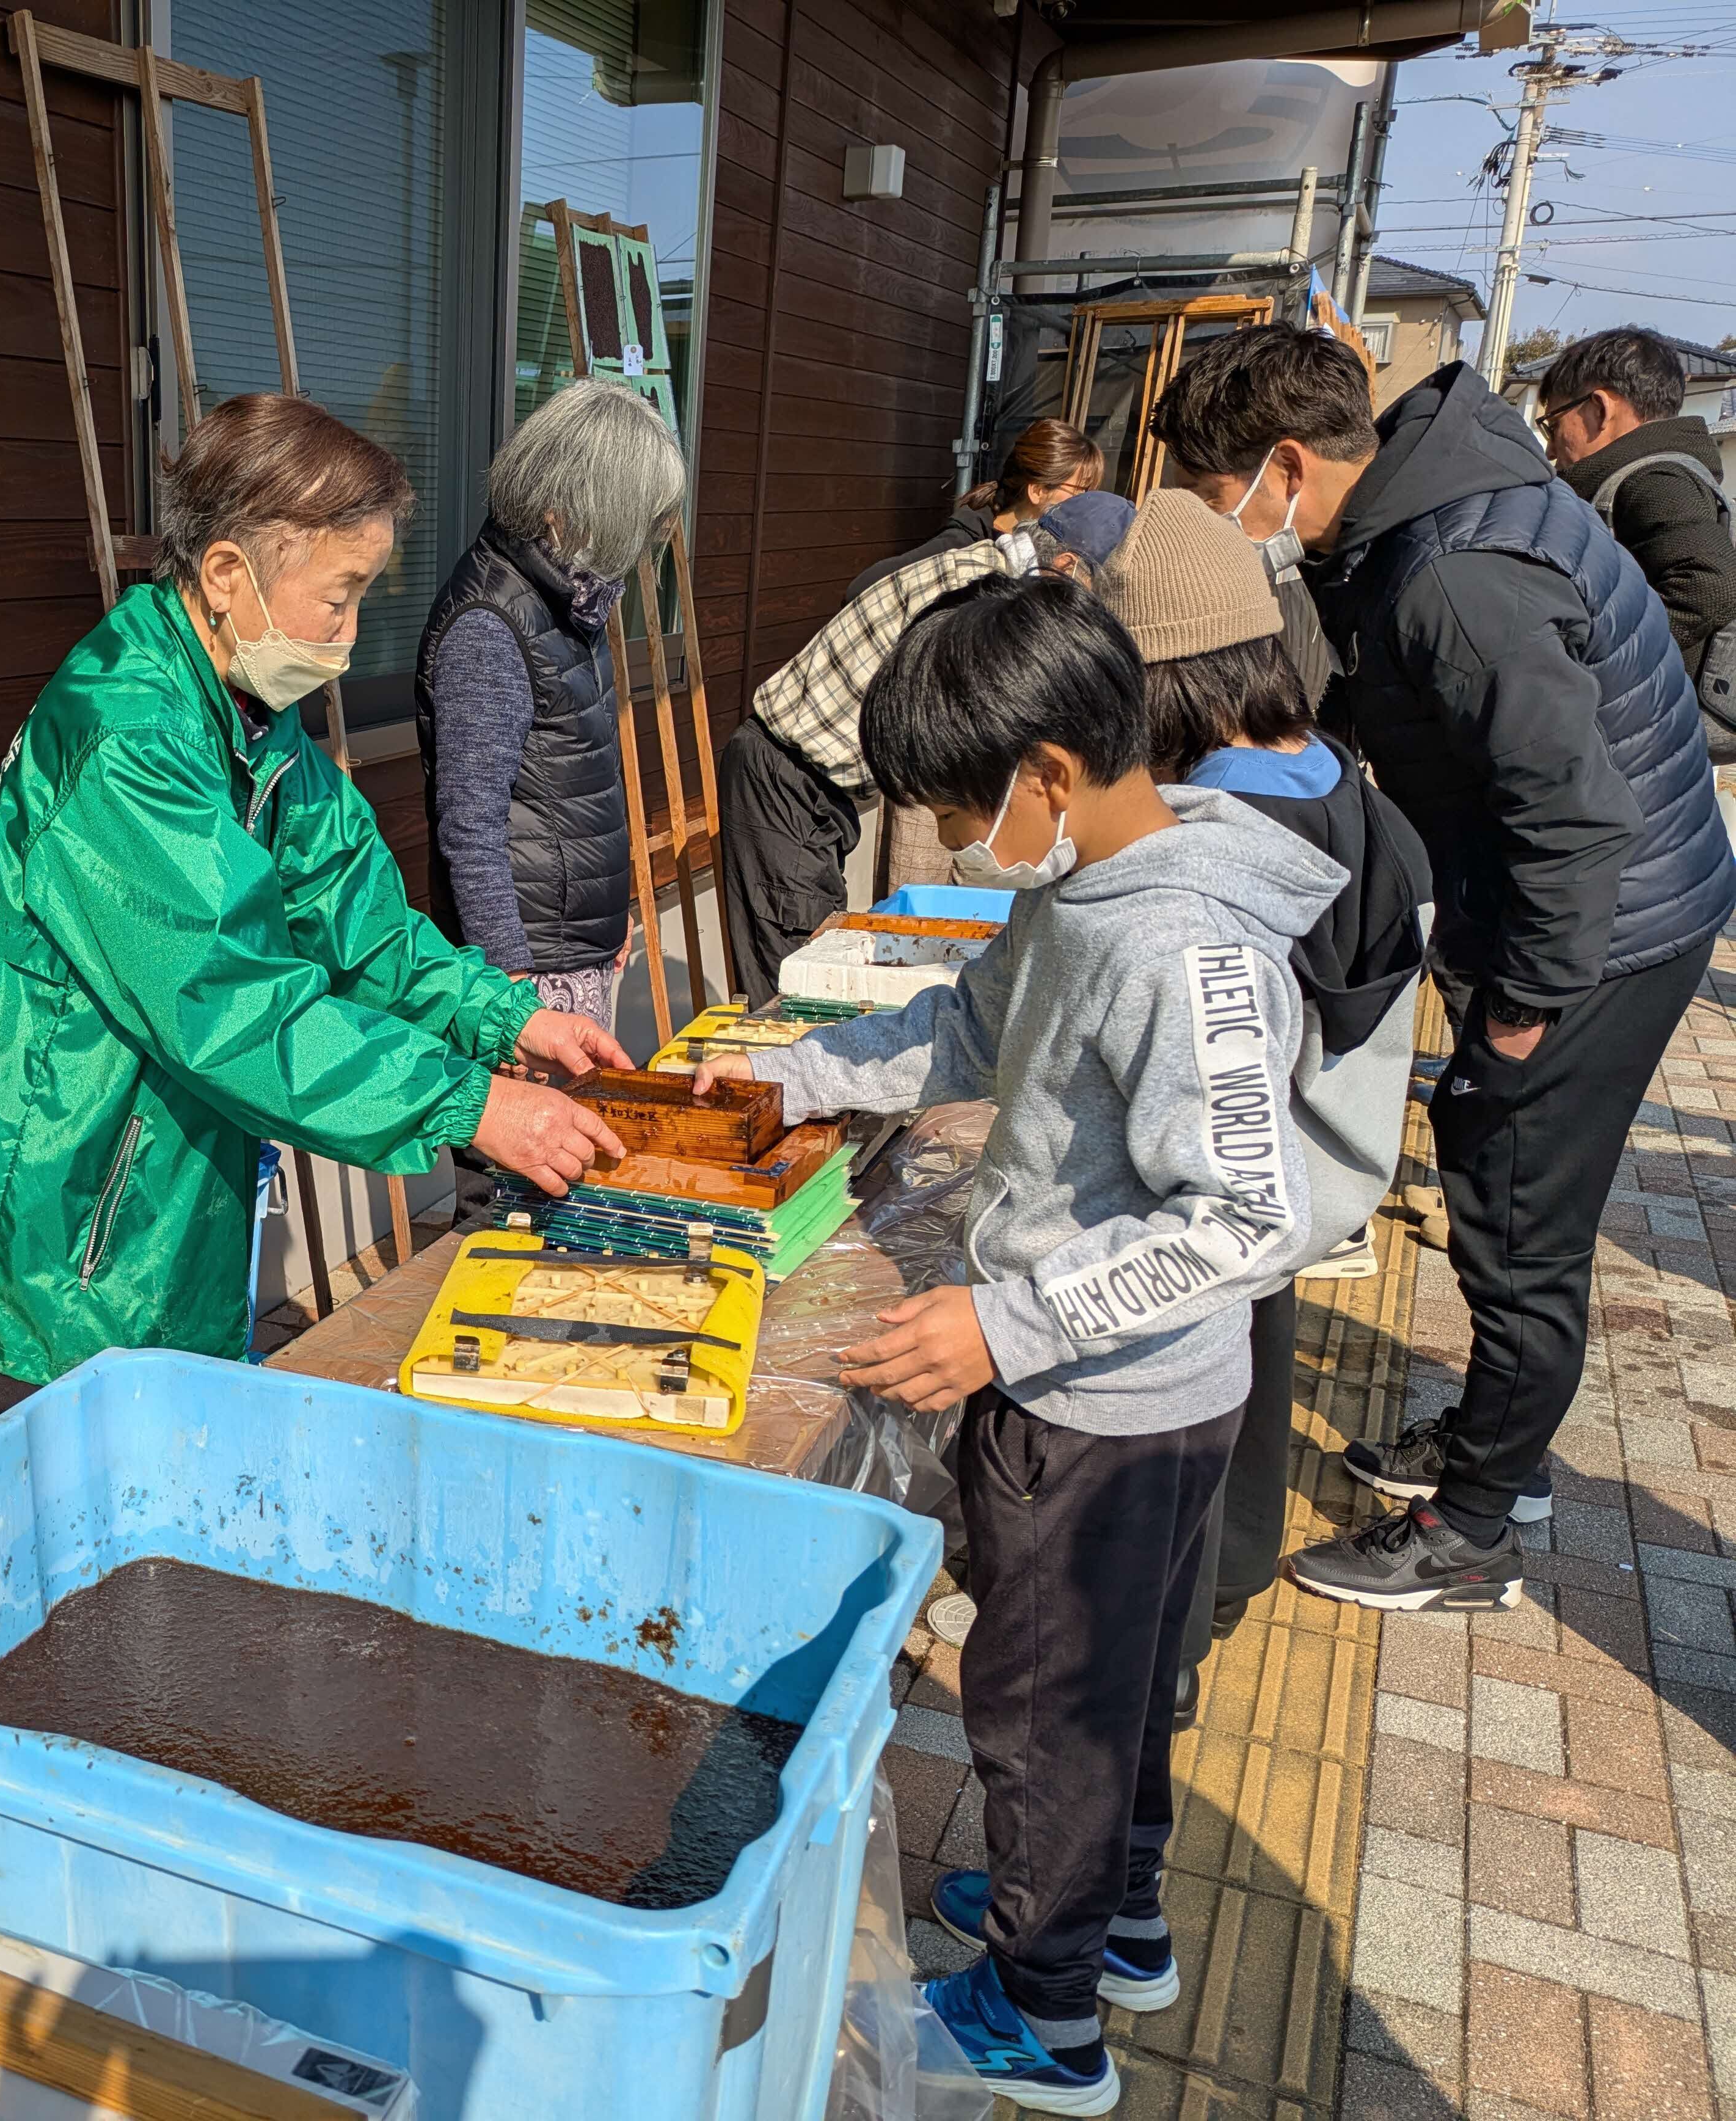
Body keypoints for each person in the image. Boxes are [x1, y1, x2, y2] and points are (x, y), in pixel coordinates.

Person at [696, 572, 1338, 2112]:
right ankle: (1108, 1922)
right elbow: (964, 1032)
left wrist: (1004, 1322)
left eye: (953, 814)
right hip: (1102, 1383)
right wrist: (795, 1077)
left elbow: (1252, 1217)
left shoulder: (1186, 948)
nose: (951, 845)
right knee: (1110, 1686)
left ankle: (1043, 2020)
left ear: (1045, 775)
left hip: (1108, 1403)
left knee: (1040, 1707)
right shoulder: (1080, 887)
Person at [1152, 326, 1736, 1612]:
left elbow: (1569, 817)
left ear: (1285, 464)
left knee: (1513, 1207)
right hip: (1576, 897)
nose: (1222, 523)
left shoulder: (1455, 571)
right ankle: (1493, 1442)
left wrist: (1524, 1004)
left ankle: (1474, 1526)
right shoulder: (1416, 503)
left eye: (1216, 495)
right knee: (1500, 1179)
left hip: (1605, 924)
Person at [0, 395, 632, 1408]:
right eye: (339, 596)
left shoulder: (251, 721)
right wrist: (469, 1100)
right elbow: (233, 1001)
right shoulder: (127, 740)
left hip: (157, 1200)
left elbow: (362, 923)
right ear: (227, 577)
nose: (350, 630)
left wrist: (510, 1015)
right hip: (60, 1231)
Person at [1100, 491, 1431, 1718]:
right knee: (1250, 1364)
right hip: (1307, 1163)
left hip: (1215, 1184)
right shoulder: (1331, 774)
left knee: (1171, 1414)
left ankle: (1158, 1662)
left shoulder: (1226, 832)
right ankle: (1230, 1573)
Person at [719, 492, 1135, 997]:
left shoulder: (986, 567)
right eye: (1096, 593)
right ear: (1066, 566)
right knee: (800, 983)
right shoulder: (982, 594)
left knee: (813, 960)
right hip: (788, 776)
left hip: (816, 780)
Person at [415, 378, 687, 1027]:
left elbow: (580, 778)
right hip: (531, 966)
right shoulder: (490, 624)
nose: (642, 543)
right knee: (551, 1128)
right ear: (568, 510)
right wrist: (509, 986)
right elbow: (471, 824)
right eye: (635, 521)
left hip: (573, 941)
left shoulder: (568, 598)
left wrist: (610, 911)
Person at [1534, 328, 1736, 734]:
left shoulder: (1653, 479)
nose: (1551, 450)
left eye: (1553, 425)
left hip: (1650, 719)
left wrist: (1594, 659)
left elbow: (1709, 585)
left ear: (1600, 408)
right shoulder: (1653, 473)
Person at [847, 418, 1104, 597]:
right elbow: (863, 588)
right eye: (1081, 491)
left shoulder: (1046, 550)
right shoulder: (964, 542)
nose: (1089, 502)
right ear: (1037, 491)